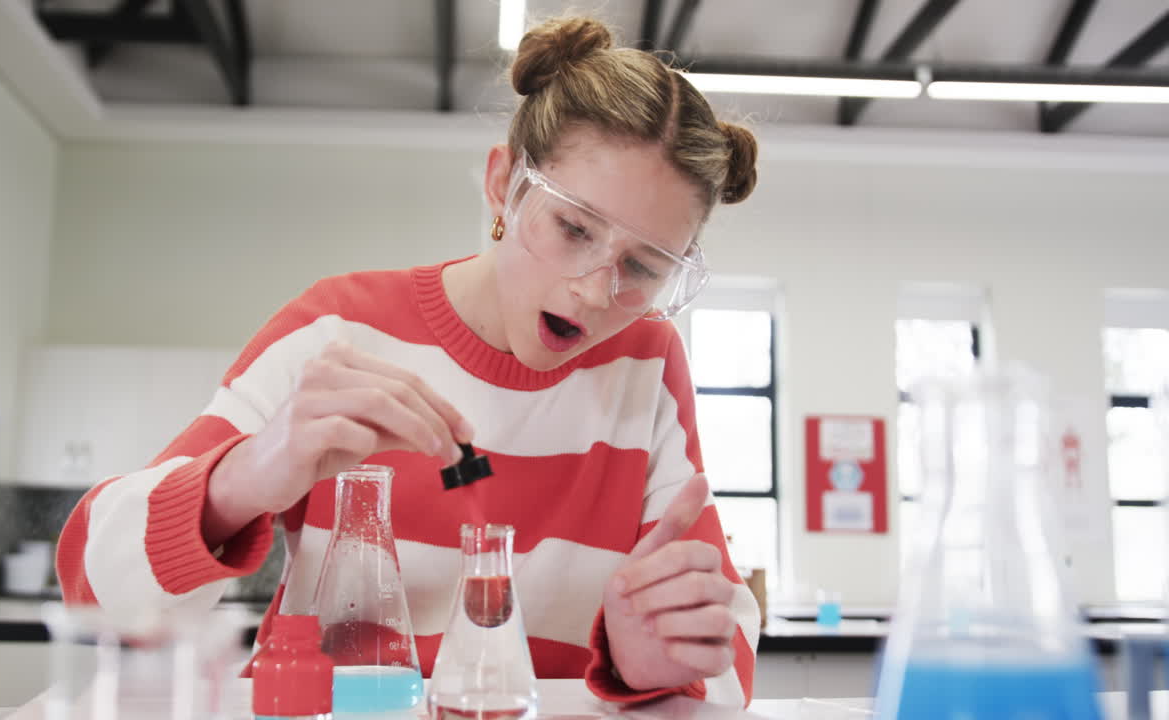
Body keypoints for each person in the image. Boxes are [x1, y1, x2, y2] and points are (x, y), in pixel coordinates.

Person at [56, 14, 762, 706]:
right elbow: (91, 589)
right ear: (504, 185)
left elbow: (727, 655)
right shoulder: (339, 328)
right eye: (574, 228)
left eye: (643, 267)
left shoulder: (646, 365)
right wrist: (242, 480)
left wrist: (651, 662)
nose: (594, 290)